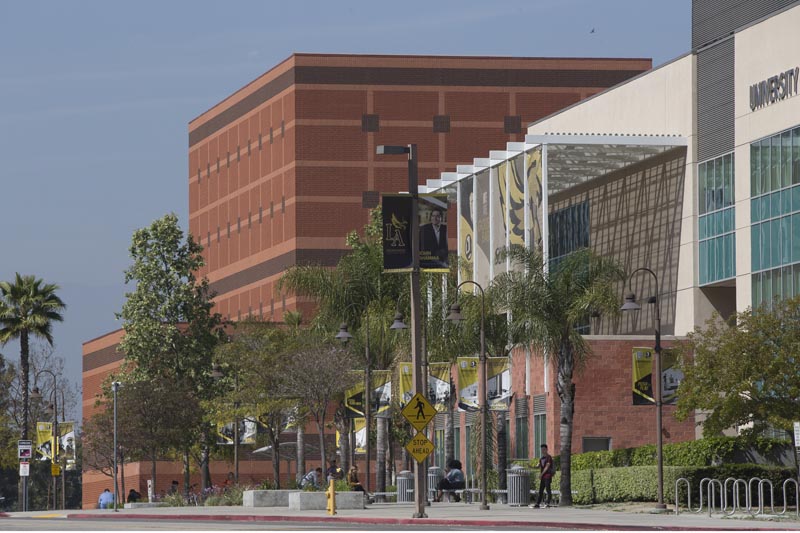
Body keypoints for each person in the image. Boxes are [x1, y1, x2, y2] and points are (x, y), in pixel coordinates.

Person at [531, 443, 555, 508]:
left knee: (548, 489)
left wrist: (541, 474)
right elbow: (538, 466)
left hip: (547, 476)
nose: (542, 450)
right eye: (542, 449)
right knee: (540, 490)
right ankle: (537, 504)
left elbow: (547, 467)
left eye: (544, 449)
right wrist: (531, 466)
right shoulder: (541, 458)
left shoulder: (549, 457)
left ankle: (547, 503)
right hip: (543, 477)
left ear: (547, 449)